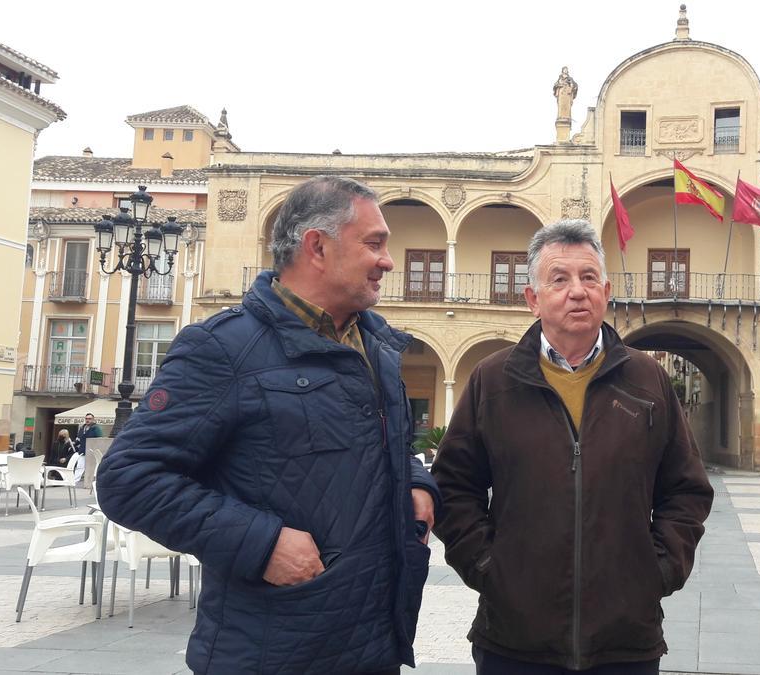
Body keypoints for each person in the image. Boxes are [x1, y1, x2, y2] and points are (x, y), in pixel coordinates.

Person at [97, 176, 440, 675]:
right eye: (374, 243)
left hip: (372, 644)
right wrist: (261, 543)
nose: (388, 260)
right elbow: (128, 479)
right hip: (271, 650)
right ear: (317, 247)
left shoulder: (376, 346)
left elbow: (389, 444)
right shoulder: (223, 348)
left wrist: (416, 481)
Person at [432, 219, 713, 674]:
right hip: (515, 640)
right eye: (559, 279)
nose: (577, 291)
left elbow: (686, 489)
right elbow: (454, 485)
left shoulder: (647, 379)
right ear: (532, 299)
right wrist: (489, 568)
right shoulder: (493, 379)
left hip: (624, 642)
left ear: (605, 290)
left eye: (588, 278)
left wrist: (658, 569)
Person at [70, 413, 102, 483]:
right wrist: (74, 443)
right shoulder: (82, 428)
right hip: (82, 450)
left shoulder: (96, 428)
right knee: (80, 466)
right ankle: (74, 481)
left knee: (92, 468)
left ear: (93, 419)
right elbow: (78, 438)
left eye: (89, 419)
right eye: (86, 419)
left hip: (92, 451)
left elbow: (100, 439)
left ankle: (93, 482)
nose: (87, 420)